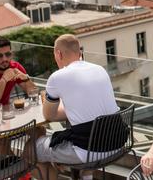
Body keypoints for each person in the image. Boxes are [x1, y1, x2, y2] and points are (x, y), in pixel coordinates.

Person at [33, 34, 120, 180]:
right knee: (71, 136)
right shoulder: (100, 69)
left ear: (58, 54)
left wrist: (59, 101)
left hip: (89, 150)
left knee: (31, 148)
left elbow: (49, 116)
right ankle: (84, 175)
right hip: (116, 142)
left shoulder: (57, 77)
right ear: (80, 53)